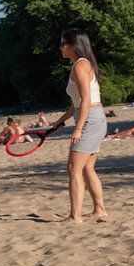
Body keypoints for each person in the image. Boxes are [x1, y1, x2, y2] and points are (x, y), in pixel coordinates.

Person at [52, 28, 108, 224]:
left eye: (63, 44)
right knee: (87, 168)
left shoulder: (79, 66)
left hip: (90, 119)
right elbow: (77, 103)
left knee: (73, 168)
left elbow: (86, 101)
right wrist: (60, 120)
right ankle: (99, 210)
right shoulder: (82, 65)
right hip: (95, 117)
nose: (61, 48)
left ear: (73, 45)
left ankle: (75, 216)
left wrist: (78, 129)